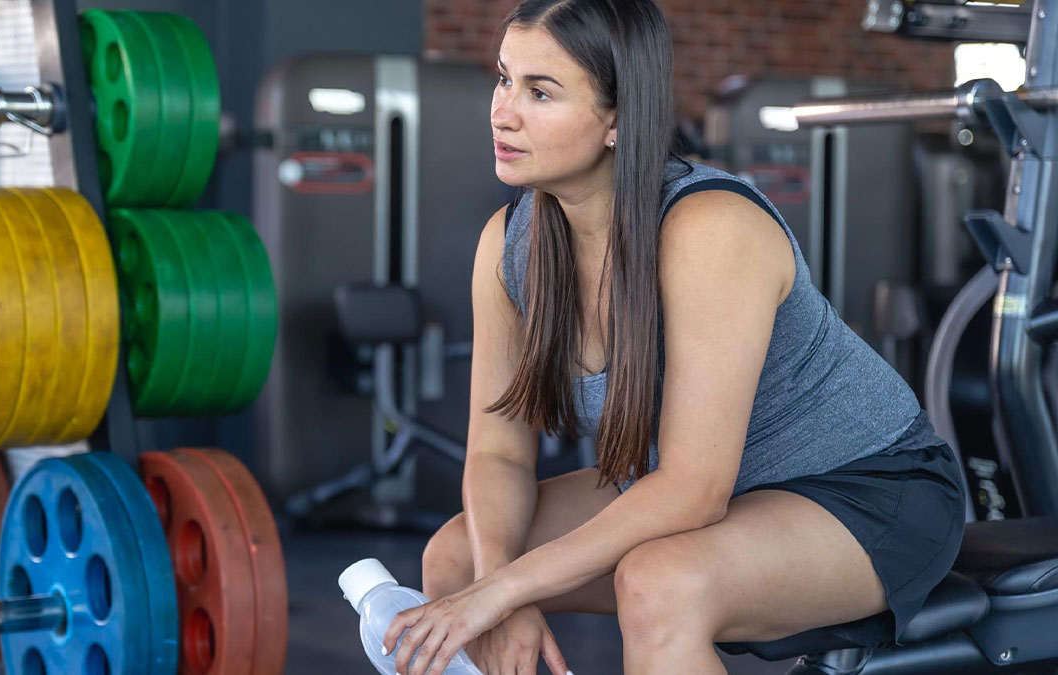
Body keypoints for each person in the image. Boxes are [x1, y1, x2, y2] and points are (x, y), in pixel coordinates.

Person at [382, 0, 967, 673]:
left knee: (661, 583)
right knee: (457, 558)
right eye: (504, 79)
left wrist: (506, 589)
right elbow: (498, 455)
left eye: (540, 92)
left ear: (618, 119)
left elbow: (693, 490)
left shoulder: (708, 227)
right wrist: (493, 587)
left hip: (866, 489)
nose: (503, 111)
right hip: (697, 487)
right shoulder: (511, 245)